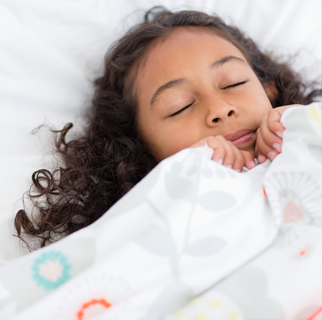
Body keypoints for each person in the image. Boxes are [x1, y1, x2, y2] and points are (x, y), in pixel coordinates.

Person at [14, 7, 321, 249]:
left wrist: (303, 128)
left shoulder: (307, 129)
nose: (219, 109)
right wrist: (187, 181)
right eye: (180, 106)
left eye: (234, 82)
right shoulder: (142, 221)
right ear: (139, 148)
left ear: (269, 88)